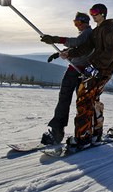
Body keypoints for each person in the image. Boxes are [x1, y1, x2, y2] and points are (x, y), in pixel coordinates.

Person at [63, 3, 113, 149]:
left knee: (83, 98)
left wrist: (95, 67)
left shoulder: (108, 30)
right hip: (97, 69)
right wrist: (69, 53)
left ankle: (83, 137)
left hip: (103, 70)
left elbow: (110, 53)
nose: (92, 14)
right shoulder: (96, 31)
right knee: (92, 100)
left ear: (103, 14)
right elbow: (86, 48)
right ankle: (96, 134)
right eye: (91, 12)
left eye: (95, 12)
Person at [40, 12, 93, 145]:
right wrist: (58, 54)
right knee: (75, 100)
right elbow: (76, 46)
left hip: (78, 71)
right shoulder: (84, 34)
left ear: (84, 22)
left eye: (78, 23)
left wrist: (55, 39)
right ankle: (78, 130)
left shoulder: (87, 33)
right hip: (78, 70)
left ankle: (62, 132)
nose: (76, 26)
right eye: (75, 23)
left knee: (67, 99)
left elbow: (77, 42)